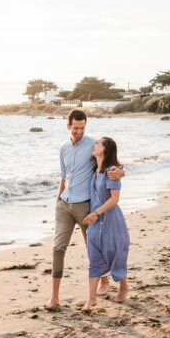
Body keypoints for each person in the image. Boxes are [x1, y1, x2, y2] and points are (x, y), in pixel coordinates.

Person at [43, 110, 124, 310]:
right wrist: (57, 200)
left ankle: (105, 280)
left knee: (94, 247)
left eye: (82, 128)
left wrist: (122, 171)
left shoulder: (93, 145)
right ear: (68, 126)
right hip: (64, 204)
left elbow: (111, 162)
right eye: (76, 128)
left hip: (84, 206)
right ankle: (54, 297)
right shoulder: (63, 148)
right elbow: (63, 176)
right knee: (58, 248)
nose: (79, 131)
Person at [82, 137, 130, 307]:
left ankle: (123, 287)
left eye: (98, 144)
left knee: (116, 255)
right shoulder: (93, 171)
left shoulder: (111, 172)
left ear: (105, 150)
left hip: (111, 221)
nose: (94, 145)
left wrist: (96, 213)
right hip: (95, 224)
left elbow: (114, 199)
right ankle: (91, 299)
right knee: (94, 257)